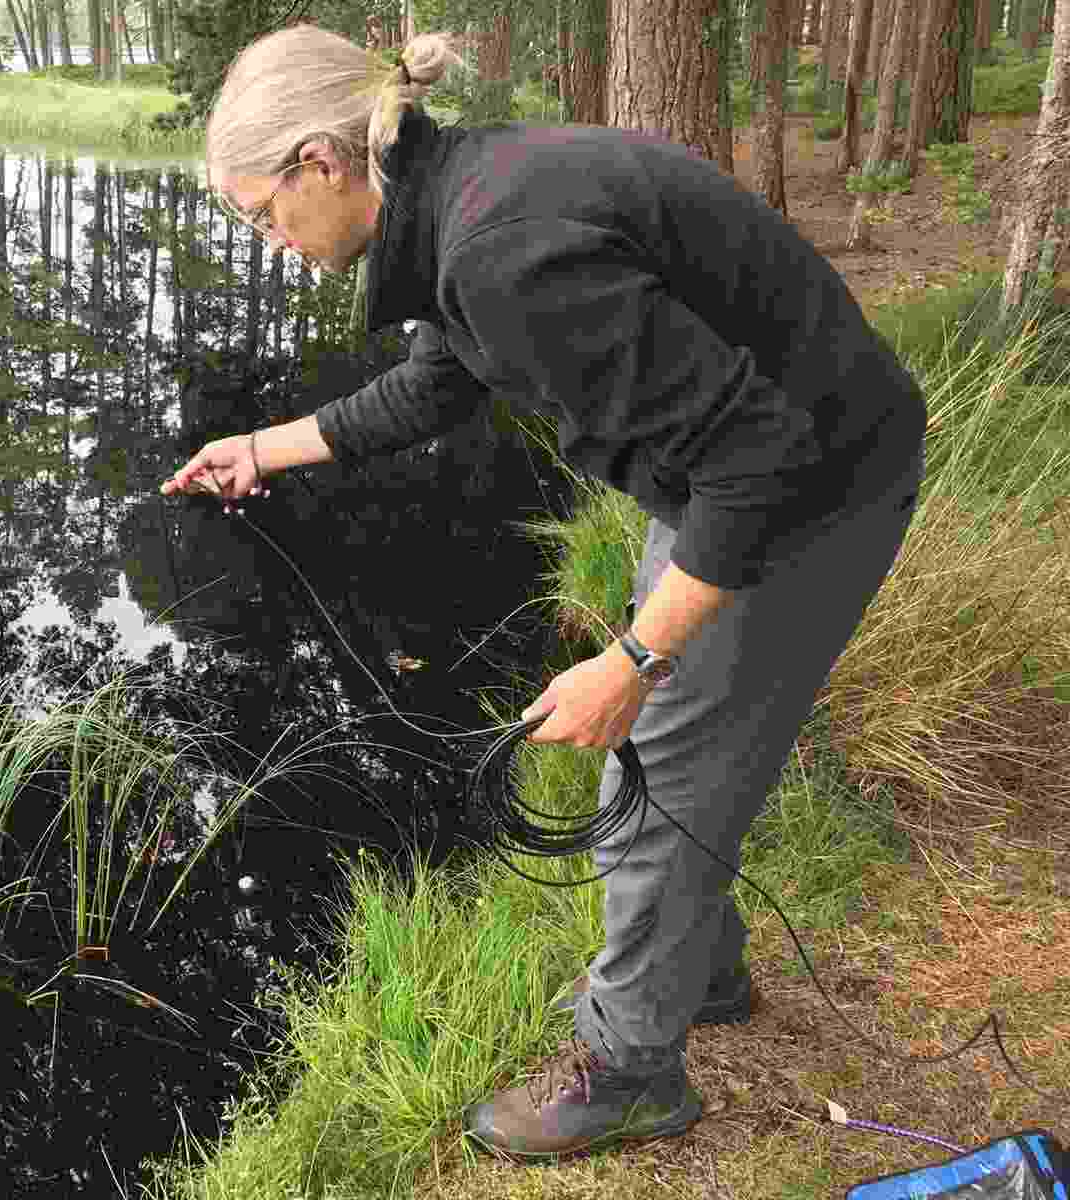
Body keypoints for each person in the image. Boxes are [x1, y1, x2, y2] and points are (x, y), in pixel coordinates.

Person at [160, 24, 927, 1161]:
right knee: (666, 765)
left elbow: (757, 460)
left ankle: (626, 1074)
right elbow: (439, 380)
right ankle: (698, 975)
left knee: (655, 771)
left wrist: (631, 661)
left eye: (261, 214)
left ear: (320, 161)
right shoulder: (459, 198)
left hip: (813, 484)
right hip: (749, 470)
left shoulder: (501, 247)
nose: (271, 242)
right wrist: (265, 450)